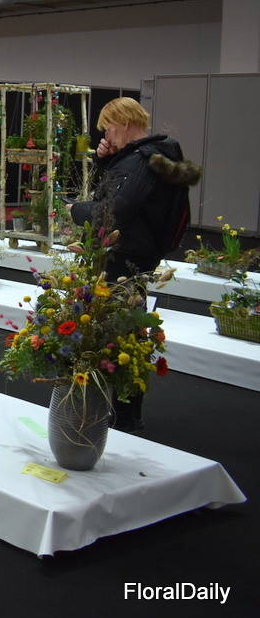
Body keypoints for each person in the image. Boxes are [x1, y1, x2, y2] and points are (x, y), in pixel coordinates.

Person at [68, 96, 201, 431]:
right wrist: (106, 162)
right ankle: (124, 409)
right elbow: (123, 197)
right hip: (140, 253)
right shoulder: (155, 156)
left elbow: (114, 211)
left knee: (122, 333)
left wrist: (75, 210)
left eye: (109, 128)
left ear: (124, 122)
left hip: (124, 256)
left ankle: (126, 413)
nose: (107, 136)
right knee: (128, 329)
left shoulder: (139, 161)